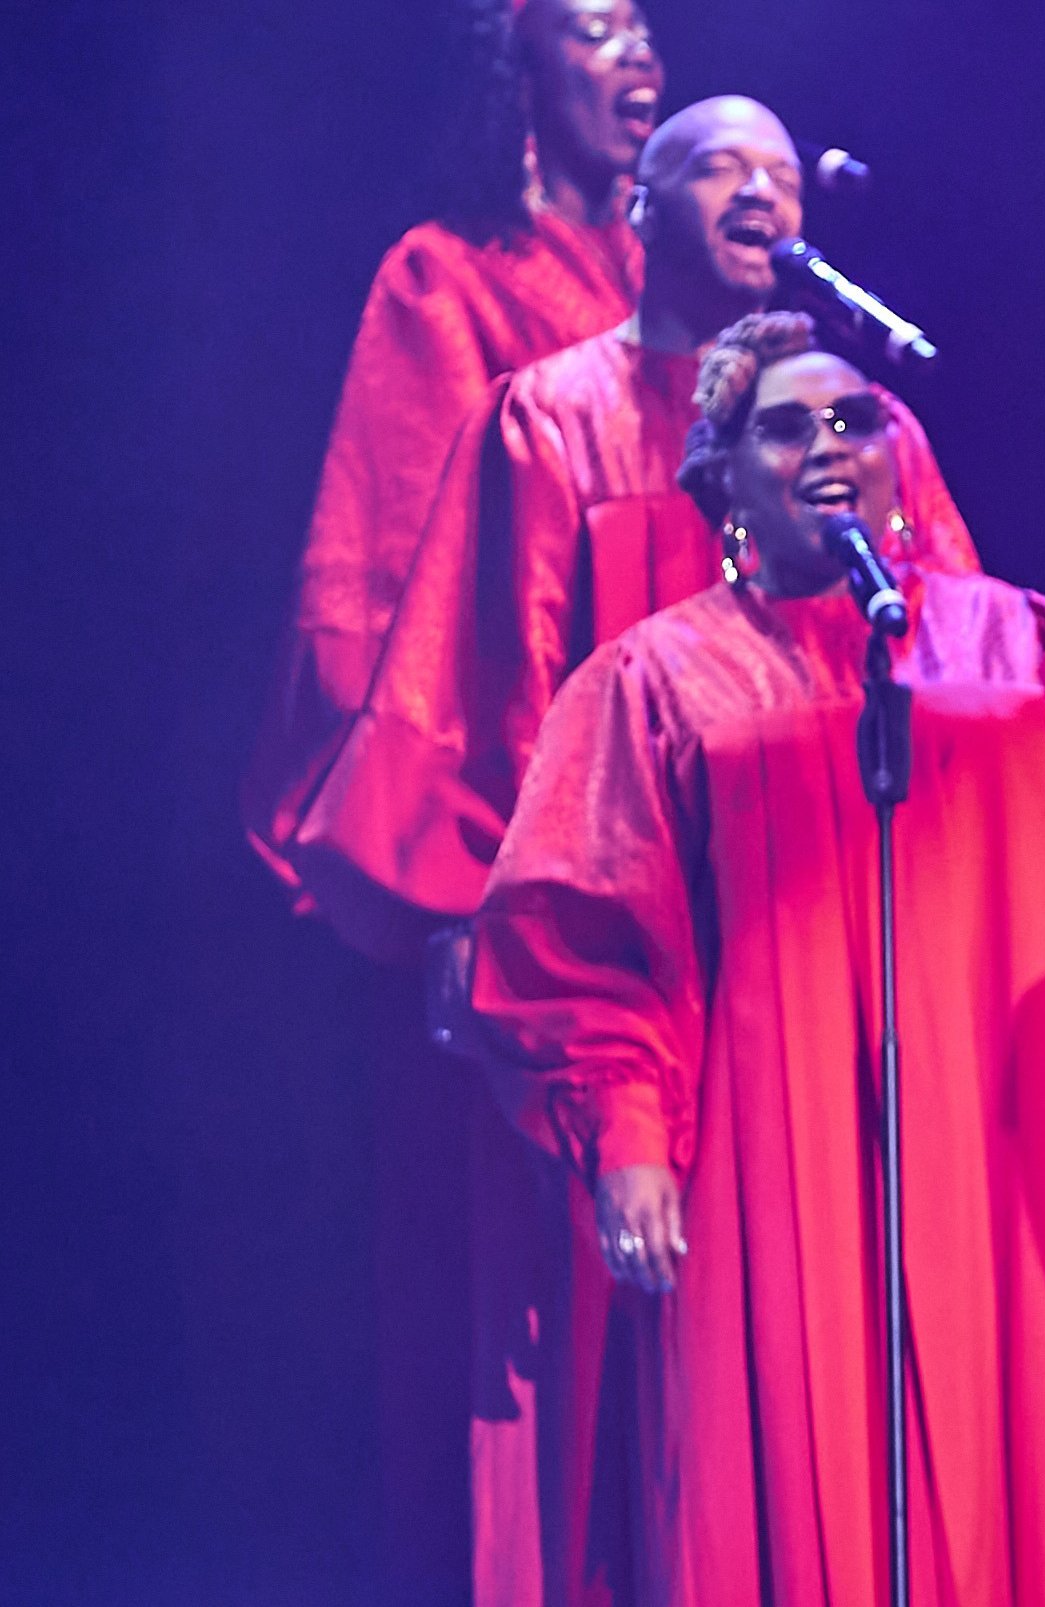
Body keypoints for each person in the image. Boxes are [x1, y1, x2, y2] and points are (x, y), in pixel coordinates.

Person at [268, 96, 985, 1602]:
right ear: (639, 214)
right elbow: (493, 690)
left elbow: (956, 660)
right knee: (618, 1366)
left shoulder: (860, 430)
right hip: (628, 949)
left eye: (784, 172)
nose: (763, 190)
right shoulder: (552, 418)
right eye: (723, 166)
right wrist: (479, 914)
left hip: (818, 930)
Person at [468, 316, 1045, 1606]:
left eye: (853, 420)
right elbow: (591, 935)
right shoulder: (654, 680)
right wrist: (628, 1138)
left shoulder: (1012, 640)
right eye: (786, 428)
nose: (829, 446)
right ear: (723, 477)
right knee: (786, 1456)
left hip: (1000, 1137)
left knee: (1009, 1457)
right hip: (763, 1150)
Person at [234, 6, 656, 1592]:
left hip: (691, 852)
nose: (643, 52)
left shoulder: (685, 293)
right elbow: (390, 579)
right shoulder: (448, 283)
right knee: (524, 1324)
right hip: (521, 857)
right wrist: (442, 885)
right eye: (600, 22)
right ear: (520, 67)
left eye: (649, 21)